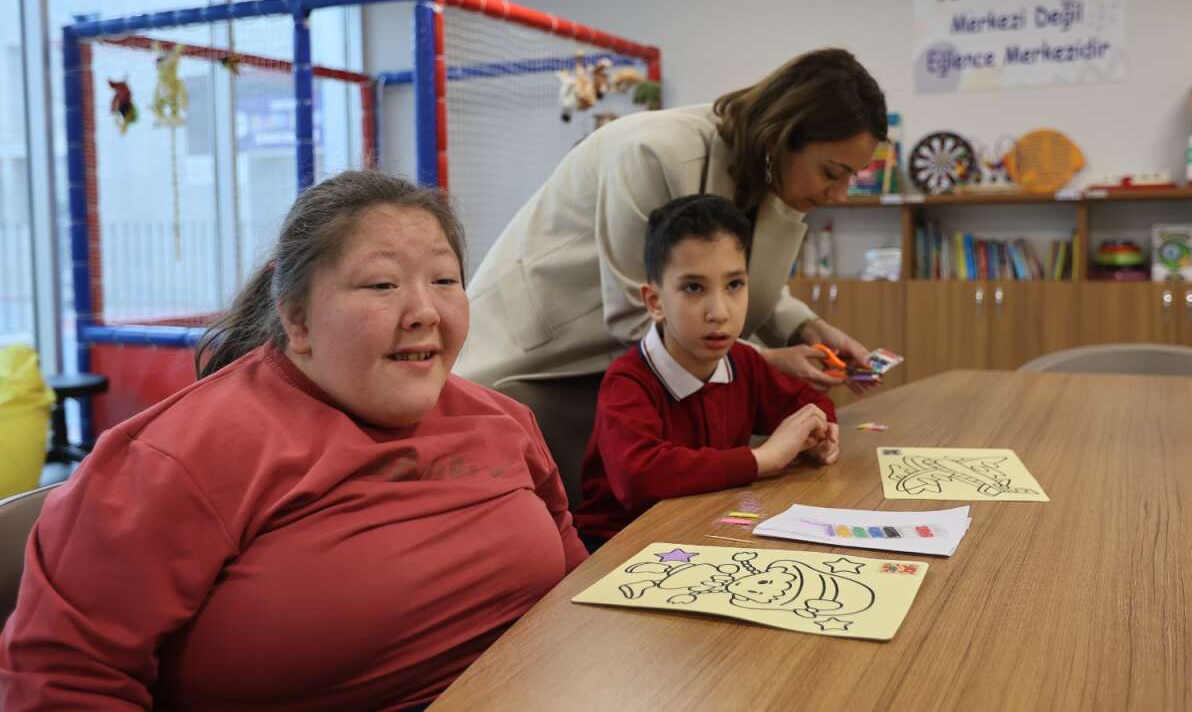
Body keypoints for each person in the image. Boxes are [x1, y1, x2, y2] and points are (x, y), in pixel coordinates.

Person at [0, 171, 586, 711]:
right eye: (382, 284)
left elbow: (572, 576)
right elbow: (64, 683)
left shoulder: (503, 418)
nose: (424, 311)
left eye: (445, 280)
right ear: (296, 319)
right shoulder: (173, 460)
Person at [457, 47, 886, 505]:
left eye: (851, 177)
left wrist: (807, 327)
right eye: (832, 172)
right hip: (533, 356)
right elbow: (634, 314)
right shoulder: (653, 154)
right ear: (782, 137)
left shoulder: (770, 173)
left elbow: (729, 274)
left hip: (621, 366)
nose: (839, 194)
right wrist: (764, 364)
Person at [575, 194, 840, 546]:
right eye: (693, 288)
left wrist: (820, 433)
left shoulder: (743, 362)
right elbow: (641, 478)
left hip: (704, 532)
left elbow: (806, 404)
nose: (720, 312)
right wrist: (765, 458)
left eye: (734, 285)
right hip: (621, 547)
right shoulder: (627, 381)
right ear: (655, 302)